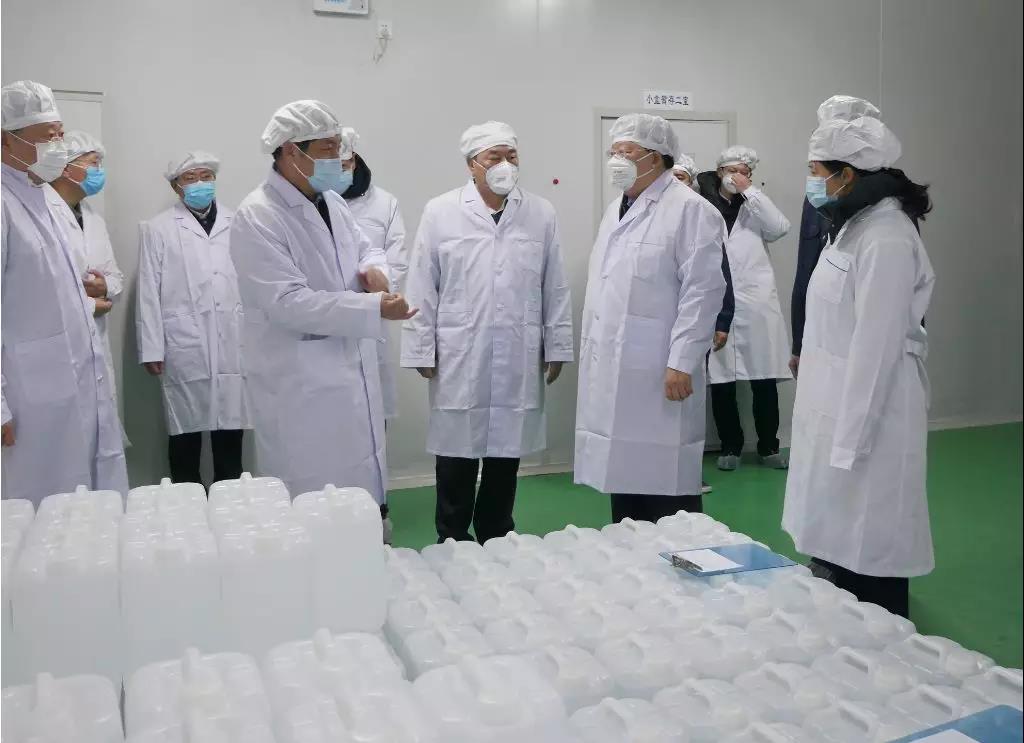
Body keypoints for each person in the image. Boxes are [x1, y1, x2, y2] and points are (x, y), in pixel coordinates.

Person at [783, 96, 935, 619]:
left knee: (870, 544)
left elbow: (877, 348)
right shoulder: (851, 225)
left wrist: (849, 441)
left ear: (847, 174)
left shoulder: (886, 236)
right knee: (838, 541)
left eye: (816, 171)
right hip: (836, 408)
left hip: (871, 420)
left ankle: (886, 642)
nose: (812, 182)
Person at [230, 99, 415, 511]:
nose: (337, 157)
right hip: (300, 383)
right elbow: (287, 302)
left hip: (351, 369)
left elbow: (368, 248)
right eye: (327, 148)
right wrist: (373, 309)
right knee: (312, 501)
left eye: (337, 146)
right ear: (291, 151)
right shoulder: (258, 215)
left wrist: (375, 271)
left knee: (360, 493)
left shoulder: (331, 201)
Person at [401, 121, 573, 544]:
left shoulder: (540, 213)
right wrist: (420, 348)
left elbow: (554, 283)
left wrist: (557, 345)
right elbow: (422, 282)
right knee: (456, 451)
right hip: (460, 350)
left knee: (505, 453)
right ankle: (452, 536)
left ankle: (497, 533)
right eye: (494, 157)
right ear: (472, 165)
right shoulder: (441, 211)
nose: (504, 166)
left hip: (517, 348)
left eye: (511, 157)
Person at [575, 114, 726, 523]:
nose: (617, 161)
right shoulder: (617, 209)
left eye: (627, 152)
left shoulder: (691, 210)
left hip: (662, 367)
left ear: (656, 157)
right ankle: (630, 553)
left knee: (665, 488)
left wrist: (682, 361)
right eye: (613, 152)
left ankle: (679, 554)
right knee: (624, 480)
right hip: (616, 364)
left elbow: (702, 292)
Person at [1, 80, 128, 504]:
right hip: (29, 394)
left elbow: (59, 288)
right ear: (6, 140)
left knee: (90, 500)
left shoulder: (49, 199)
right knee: (40, 506)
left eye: (59, 134)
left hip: (80, 378)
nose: (57, 146)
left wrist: (94, 300)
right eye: (45, 137)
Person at [136, 151, 250, 487]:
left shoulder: (237, 222)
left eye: (206, 176)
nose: (200, 183)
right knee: (184, 431)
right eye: (190, 178)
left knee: (230, 429)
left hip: (232, 337)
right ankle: (187, 503)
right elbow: (147, 289)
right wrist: (151, 347)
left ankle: (230, 501)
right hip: (183, 341)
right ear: (176, 186)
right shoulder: (158, 229)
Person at [698, 146, 791, 472]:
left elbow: (779, 228)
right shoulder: (702, 203)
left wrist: (750, 191)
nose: (738, 177)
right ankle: (730, 446)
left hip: (756, 303)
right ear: (719, 172)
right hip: (718, 302)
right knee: (721, 381)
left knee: (763, 379)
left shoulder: (755, 207)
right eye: (732, 171)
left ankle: (768, 447)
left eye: (745, 173)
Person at [340, 126, 407, 540]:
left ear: (355, 160)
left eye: (345, 162)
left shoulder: (384, 204)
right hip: (324, 331)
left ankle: (377, 510)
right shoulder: (307, 204)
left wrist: (377, 283)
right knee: (331, 430)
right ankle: (334, 513)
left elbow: (394, 261)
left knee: (372, 428)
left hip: (369, 328)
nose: (340, 169)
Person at [44, 130, 127, 439]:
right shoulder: (42, 213)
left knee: (99, 433)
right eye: (93, 163)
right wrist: (90, 302)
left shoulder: (93, 218)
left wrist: (104, 287)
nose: (99, 171)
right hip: (58, 343)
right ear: (66, 167)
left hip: (95, 340)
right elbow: (43, 285)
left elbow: (115, 277)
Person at [791, 96, 878, 379]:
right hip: (819, 344)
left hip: (857, 357)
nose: (814, 178)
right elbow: (805, 273)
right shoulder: (816, 200)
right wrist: (798, 343)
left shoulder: (884, 221)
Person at [674, 154, 733, 496]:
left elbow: (720, 276)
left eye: (682, 178)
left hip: (693, 327)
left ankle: (690, 472)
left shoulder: (703, 216)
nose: (675, 183)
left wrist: (723, 320)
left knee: (690, 402)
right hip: (654, 329)